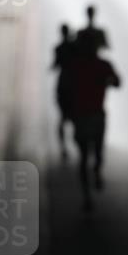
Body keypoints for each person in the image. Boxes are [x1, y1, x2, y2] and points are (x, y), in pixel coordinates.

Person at [70, 34, 121, 211]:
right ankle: (96, 175)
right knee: (96, 152)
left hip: (82, 116)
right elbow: (117, 82)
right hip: (95, 115)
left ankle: (86, 194)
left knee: (85, 156)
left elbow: (66, 89)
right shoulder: (102, 65)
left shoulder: (75, 66)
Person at [51, 24, 76, 160]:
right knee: (75, 116)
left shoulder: (59, 48)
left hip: (62, 85)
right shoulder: (74, 48)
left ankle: (63, 147)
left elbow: (54, 65)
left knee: (62, 117)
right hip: (73, 85)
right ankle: (78, 143)